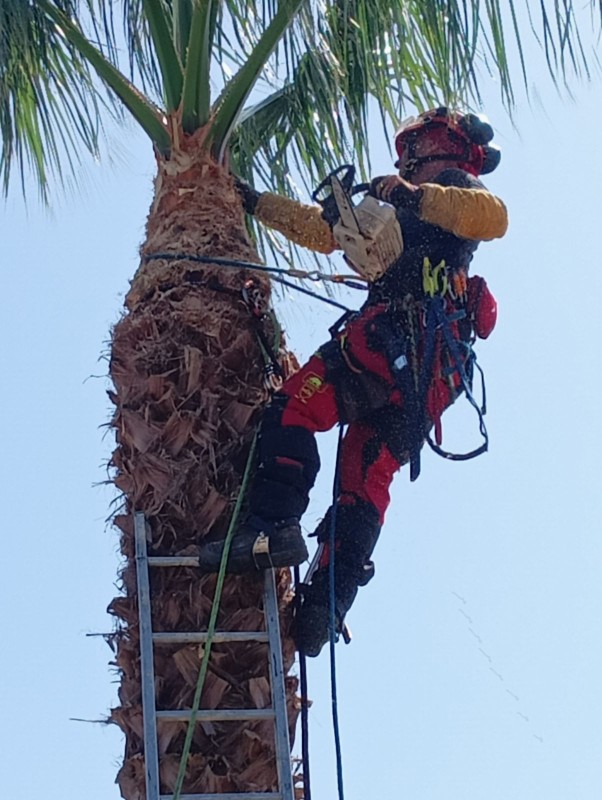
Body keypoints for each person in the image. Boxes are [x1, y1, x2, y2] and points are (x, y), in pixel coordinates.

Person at [199, 107, 508, 657]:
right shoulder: (405, 208)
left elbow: (493, 217)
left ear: (447, 146)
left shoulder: (454, 190)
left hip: (391, 343)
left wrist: (413, 196)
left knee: (294, 408)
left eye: (417, 148)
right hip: (427, 381)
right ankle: (326, 603)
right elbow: (323, 233)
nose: (408, 159)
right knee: (365, 477)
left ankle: (271, 524)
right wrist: (253, 201)